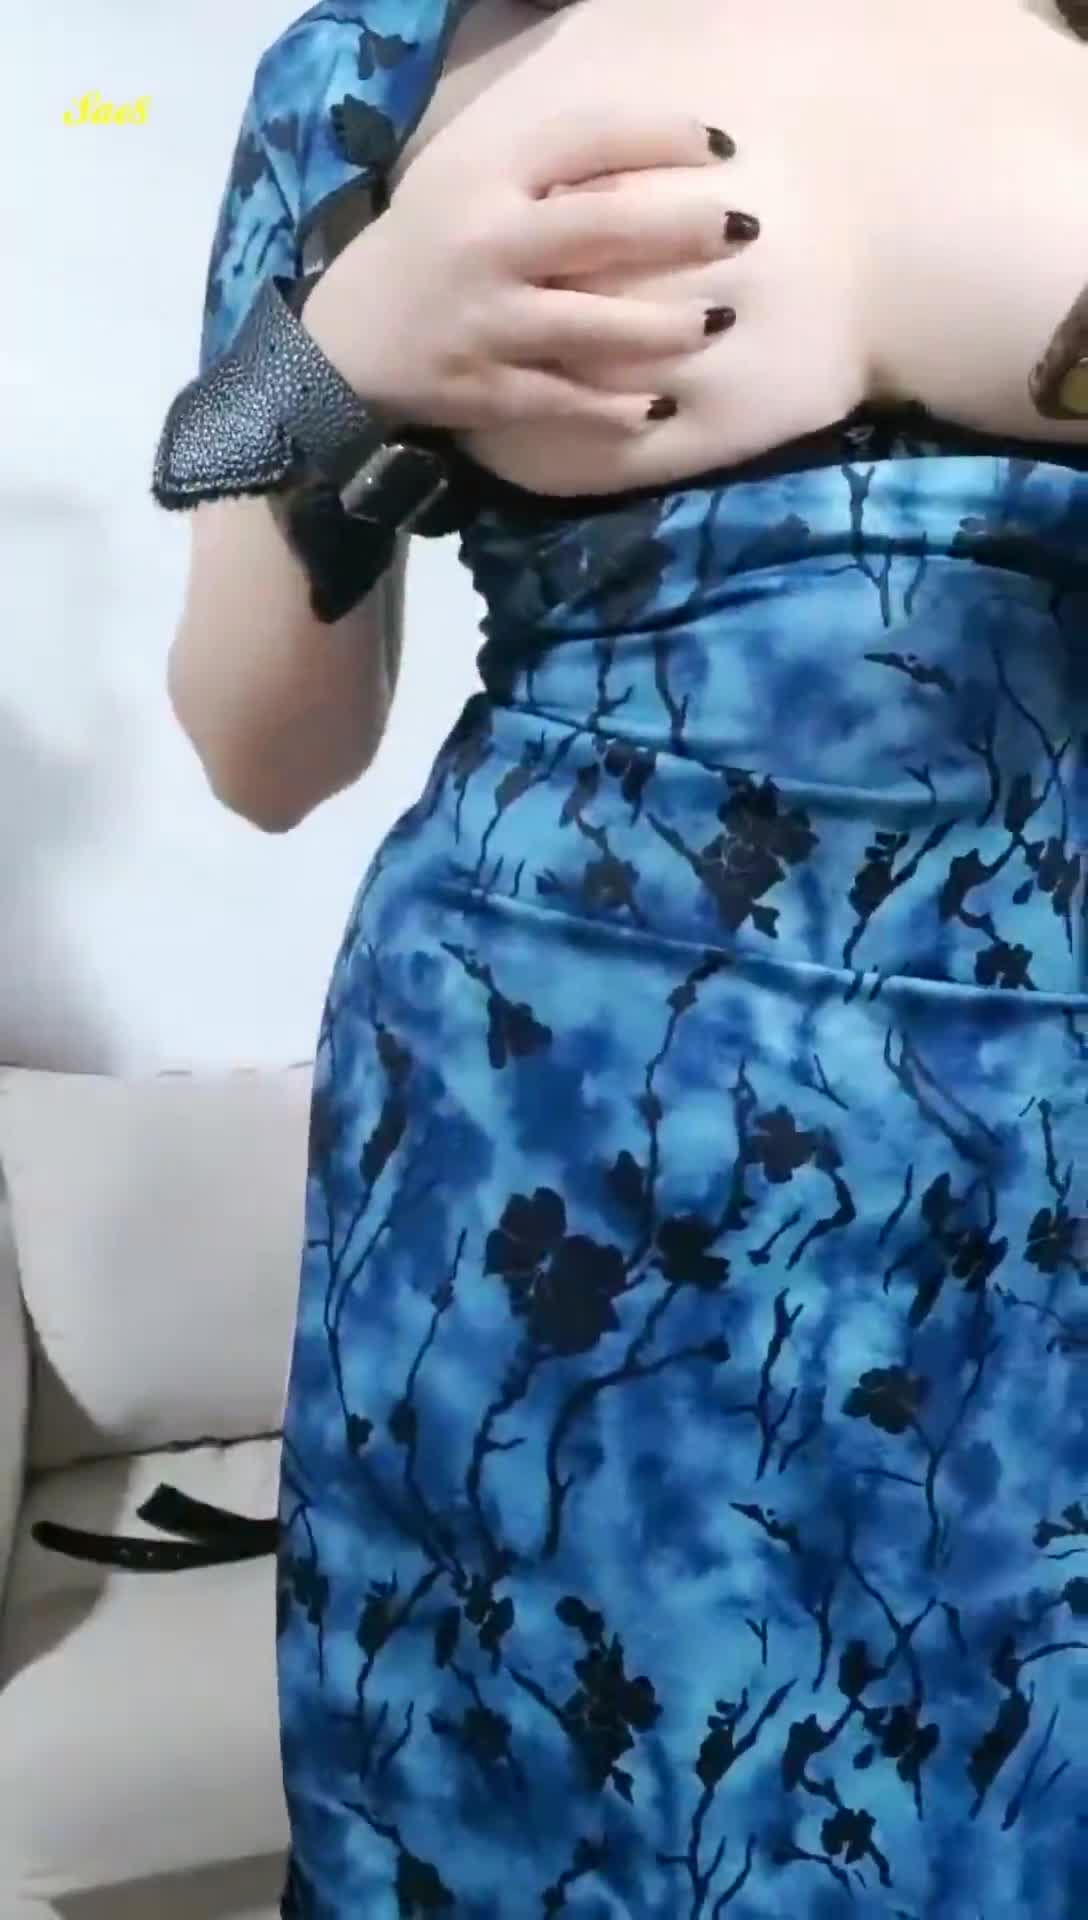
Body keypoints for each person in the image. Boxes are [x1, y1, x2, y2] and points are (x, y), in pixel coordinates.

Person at [155, 0, 1088, 1912]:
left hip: (1039, 1164)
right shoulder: (374, 70)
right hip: (540, 1142)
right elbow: (263, 752)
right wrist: (337, 358)